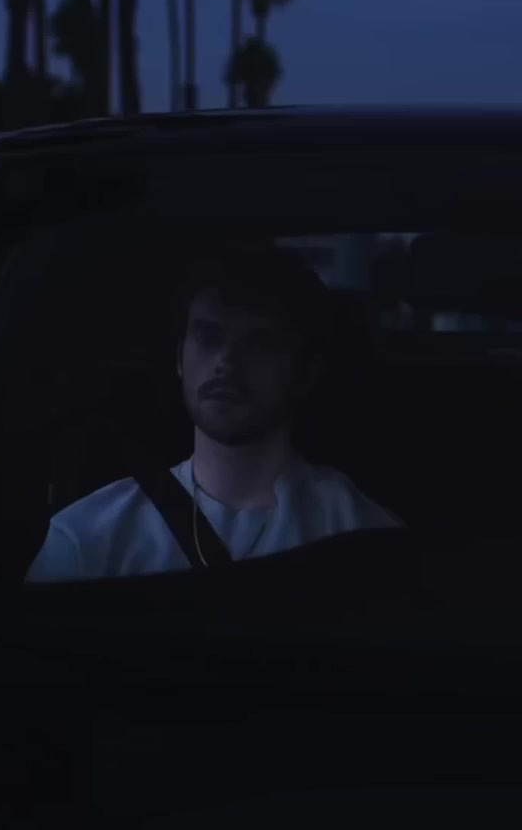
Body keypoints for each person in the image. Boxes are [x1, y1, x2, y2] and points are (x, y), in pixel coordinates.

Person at [26, 248, 399, 581]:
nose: (226, 362)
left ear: (306, 372)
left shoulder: (364, 537)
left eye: (260, 344)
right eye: (208, 337)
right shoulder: (86, 538)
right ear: (179, 358)